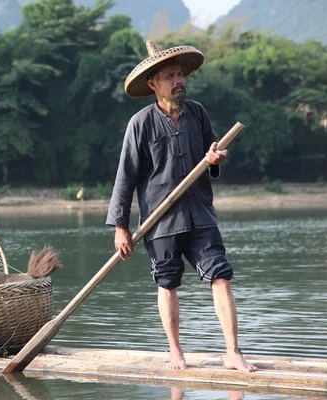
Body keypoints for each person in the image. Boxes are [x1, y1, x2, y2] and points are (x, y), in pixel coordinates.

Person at [106, 40, 257, 372]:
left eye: (180, 75)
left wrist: (215, 158)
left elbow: (211, 153)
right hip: (160, 222)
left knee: (221, 276)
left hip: (200, 213)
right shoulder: (140, 124)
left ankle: (232, 351)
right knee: (167, 283)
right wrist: (121, 226)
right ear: (153, 84)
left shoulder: (197, 113)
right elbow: (125, 176)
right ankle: (176, 352)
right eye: (170, 76)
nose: (178, 81)